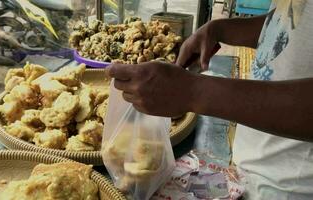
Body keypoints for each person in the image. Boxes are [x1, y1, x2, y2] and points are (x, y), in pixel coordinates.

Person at [106, 0, 313, 199]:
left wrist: (193, 91)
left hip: (292, 187)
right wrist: (219, 29)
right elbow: (290, 22)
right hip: (251, 168)